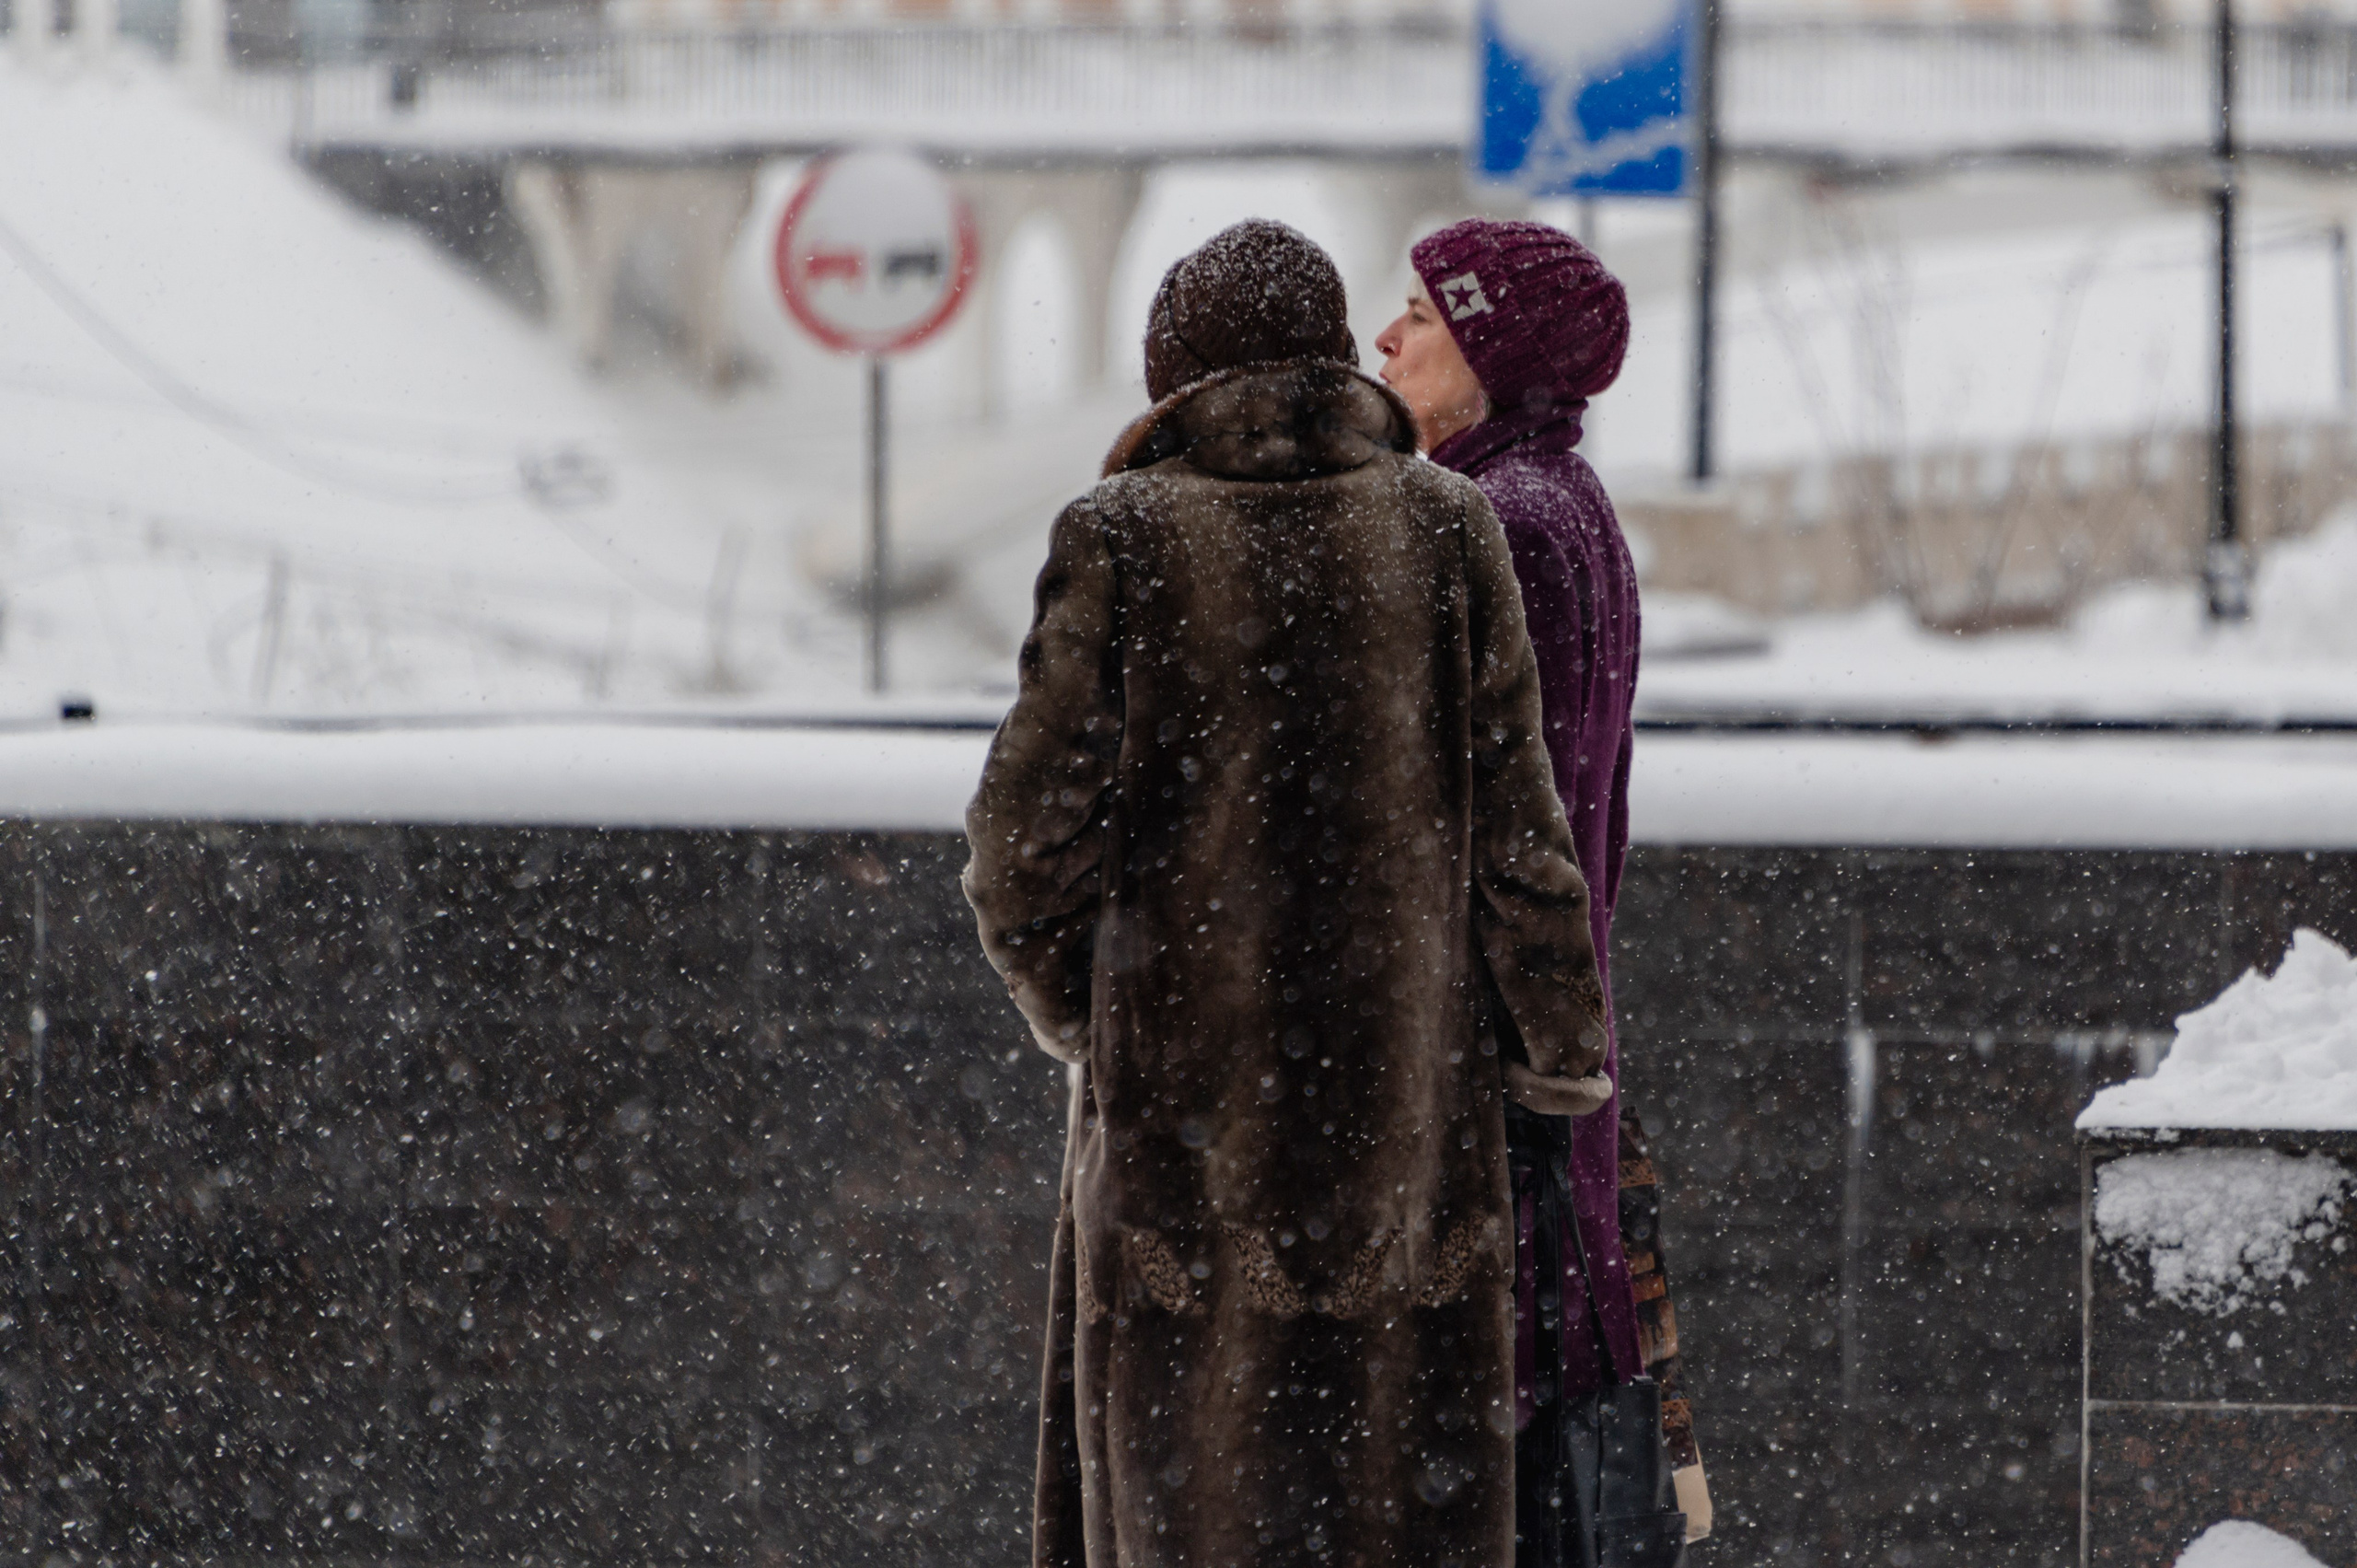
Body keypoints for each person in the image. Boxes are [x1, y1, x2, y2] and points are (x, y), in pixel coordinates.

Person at [964, 219, 1619, 1568]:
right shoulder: (1445, 528)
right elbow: (1521, 838)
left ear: (1175, 382)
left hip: (1186, 1163)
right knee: (1404, 1505)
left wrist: (1105, 1017)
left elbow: (1021, 848)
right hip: (1415, 1146)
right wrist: (1554, 1067)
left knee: (1191, 1503)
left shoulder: (1123, 539)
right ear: (1333, 361)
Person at [1376, 218, 1713, 1558]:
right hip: (1549, 1080)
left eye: (1421, 316)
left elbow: (1467, 828)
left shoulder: (1493, 524)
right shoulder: (1564, 509)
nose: (1385, 339)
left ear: (1495, 357)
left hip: (1487, 1083)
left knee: (1481, 1467)